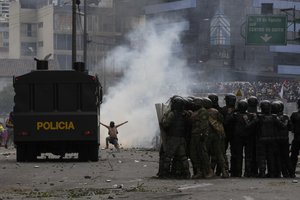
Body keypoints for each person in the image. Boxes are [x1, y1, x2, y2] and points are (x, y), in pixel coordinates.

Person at [290, 98, 300, 176]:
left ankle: (292, 172)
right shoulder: (294, 114)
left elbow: (290, 127)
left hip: (297, 138)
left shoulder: (294, 114)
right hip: (296, 137)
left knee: (293, 156)